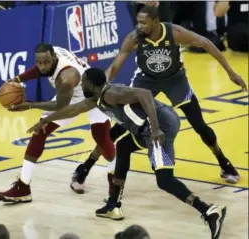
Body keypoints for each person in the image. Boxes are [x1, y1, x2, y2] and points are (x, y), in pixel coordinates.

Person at [25, 68, 227, 239]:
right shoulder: (96, 99)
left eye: (83, 83)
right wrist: (45, 120)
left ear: (90, 84)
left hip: (158, 128)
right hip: (146, 129)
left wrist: (156, 129)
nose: (81, 87)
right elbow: (73, 109)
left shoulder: (111, 93)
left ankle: (209, 211)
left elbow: (145, 94)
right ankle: (113, 205)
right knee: (123, 147)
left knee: (164, 180)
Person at [72, 5, 247, 187]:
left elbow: (206, 43)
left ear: (156, 23)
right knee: (120, 127)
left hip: (176, 80)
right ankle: (85, 167)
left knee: (200, 126)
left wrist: (231, 72)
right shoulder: (134, 38)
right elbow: (115, 66)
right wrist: (102, 88)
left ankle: (224, 163)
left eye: (143, 23)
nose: (139, 26)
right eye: (138, 22)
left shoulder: (174, 32)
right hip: (146, 80)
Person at [0, 43, 116, 202]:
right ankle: (23, 187)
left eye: (46, 62)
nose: (43, 66)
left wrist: (30, 105)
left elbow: (60, 106)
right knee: (40, 132)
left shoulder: (67, 77)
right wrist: (17, 79)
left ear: (54, 58)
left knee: (102, 137)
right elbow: (39, 69)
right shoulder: (51, 53)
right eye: (39, 62)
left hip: (93, 93)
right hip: (69, 95)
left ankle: (115, 186)